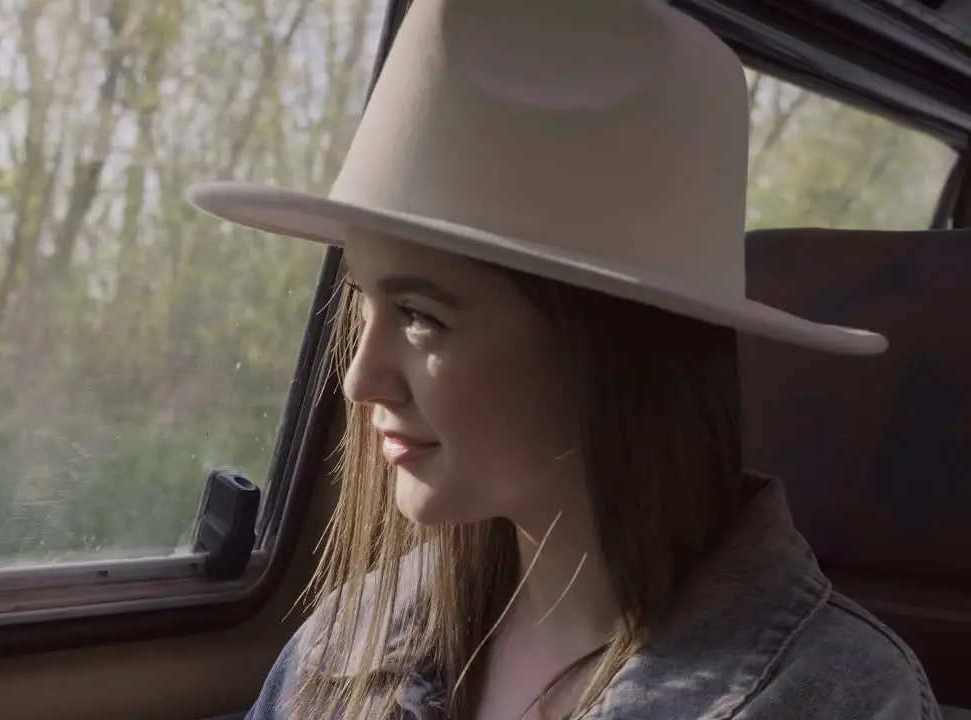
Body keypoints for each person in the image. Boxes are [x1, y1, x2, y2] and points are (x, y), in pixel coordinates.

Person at [187, 0, 938, 718]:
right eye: (363, 303)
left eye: (421, 316)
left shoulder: (840, 699)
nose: (360, 377)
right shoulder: (349, 635)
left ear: (613, 354)